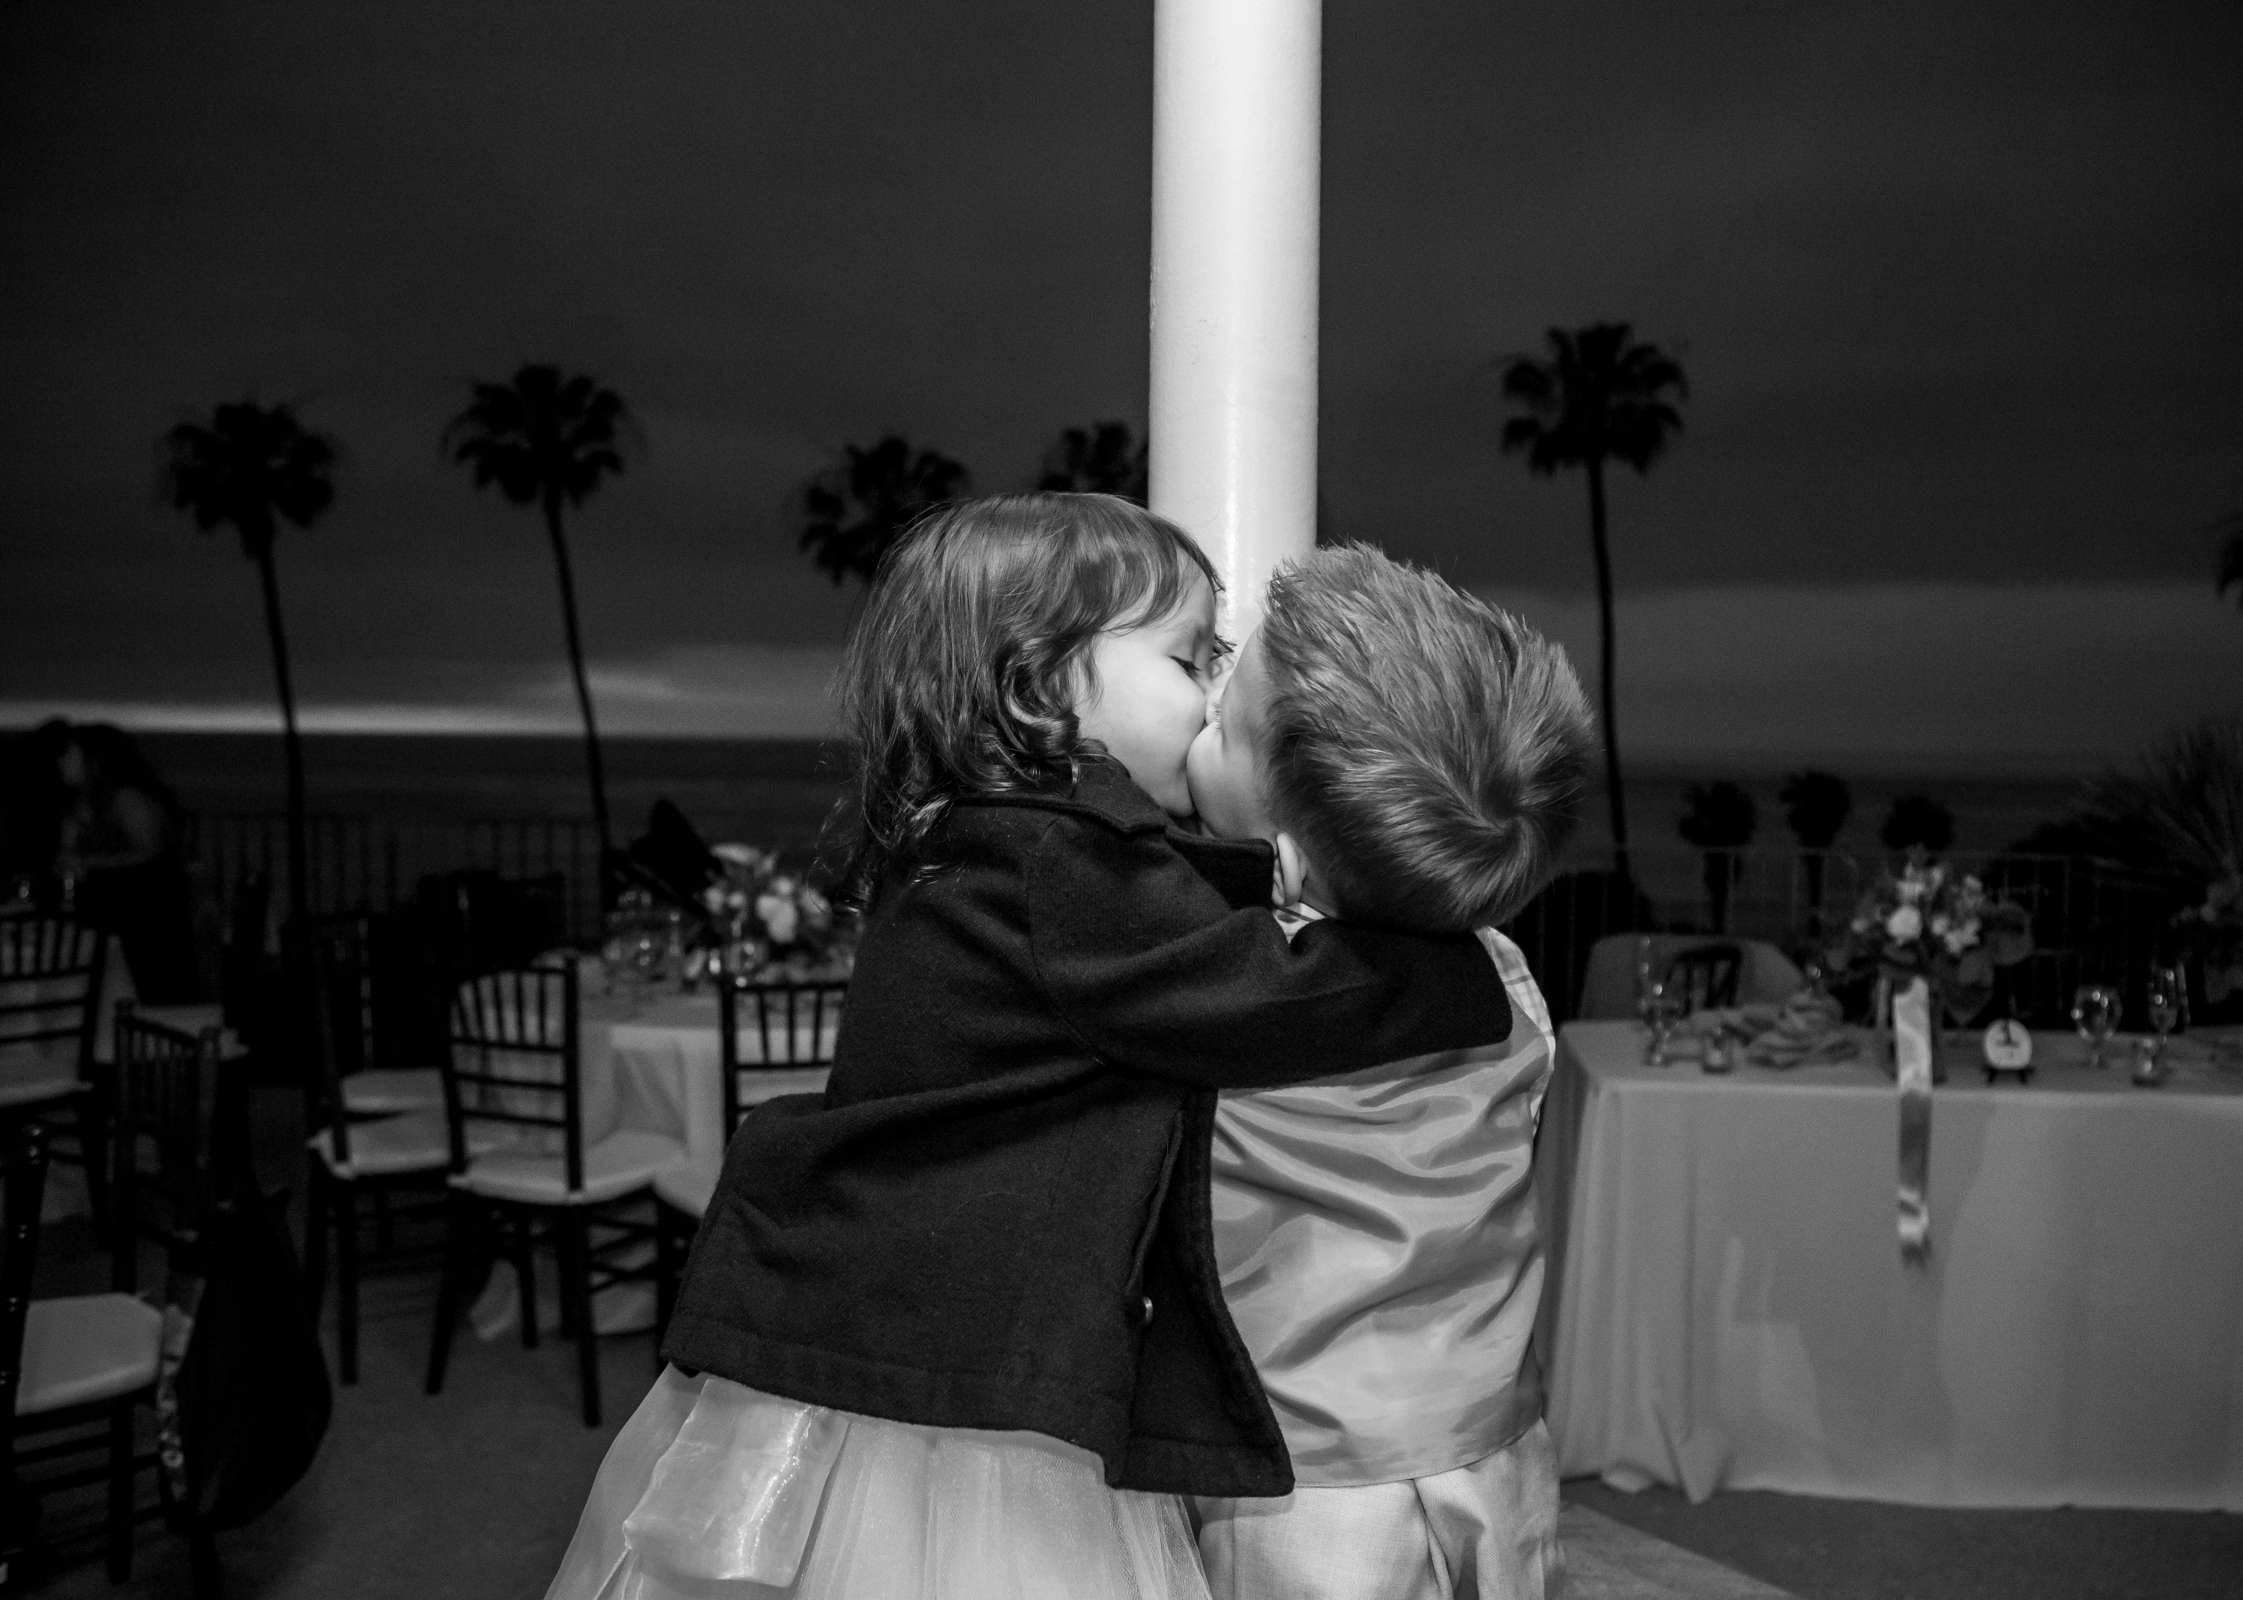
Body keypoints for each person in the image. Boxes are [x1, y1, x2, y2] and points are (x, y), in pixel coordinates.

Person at [544, 494, 1516, 1600]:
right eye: (1189, 659)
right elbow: (1263, 993)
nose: (1211, 693)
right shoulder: (1062, 865)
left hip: (896, 1314)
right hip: (960, 1371)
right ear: (1040, 683)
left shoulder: (995, 840)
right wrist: (1456, 966)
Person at [1182, 544, 1593, 1600]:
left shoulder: (1227, 1000)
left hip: (1300, 1484)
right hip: (1490, 1443)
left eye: (1226, 722)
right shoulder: (1507, 980)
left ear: (1287, 857)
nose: (1208, 700)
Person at [50, 721, 203, 1001]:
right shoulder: (78, 805)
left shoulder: (128, 799)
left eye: (69, 754)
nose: (61, 761)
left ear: (93, 760)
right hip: (106, 921)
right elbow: (68, 855)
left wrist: (87, 864)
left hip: (147, 926)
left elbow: (151, 858)